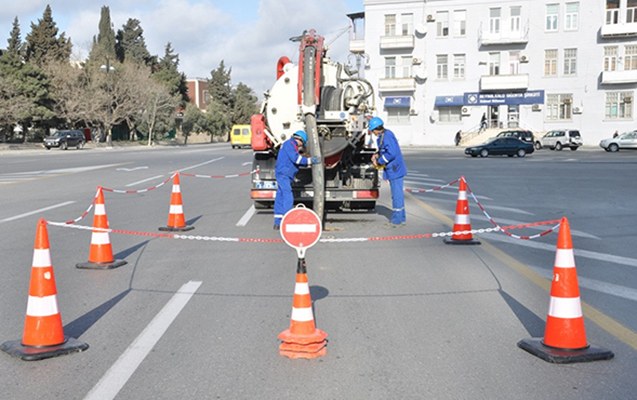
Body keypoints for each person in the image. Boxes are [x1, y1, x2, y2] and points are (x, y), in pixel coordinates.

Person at [273, 130, 321, 230]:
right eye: (302, 143)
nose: (301, 146)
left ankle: (278, 221)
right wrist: (310, 160)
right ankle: (288, 218)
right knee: (287, 194)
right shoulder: (289, 144)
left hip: (284, 173)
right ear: (299, 140)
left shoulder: (289, 144)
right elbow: (296, 159)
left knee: (281, 195)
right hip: (284, 174)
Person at [369, 117, 407, 227]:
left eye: (373, 130)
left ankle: (396, 221)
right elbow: (385, 149)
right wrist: (377, 153)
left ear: (377, 129)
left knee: (396, 195)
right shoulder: (384, 135)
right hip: (394, 169)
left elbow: (391, 153)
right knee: (397, 194)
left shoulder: (387, 137)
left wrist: (379, 161)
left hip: (395, 169)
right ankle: (402, 218)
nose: (373, 133)